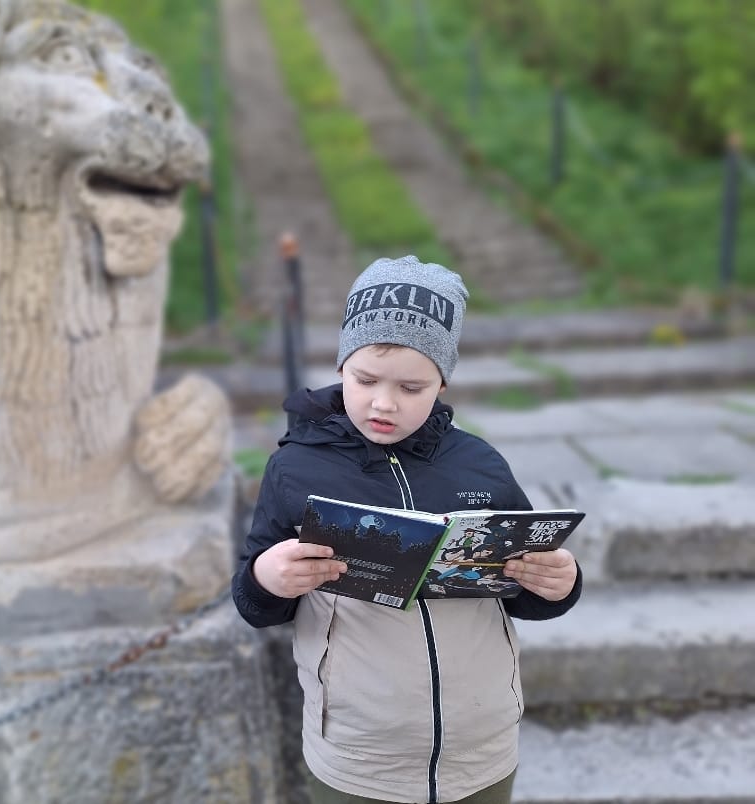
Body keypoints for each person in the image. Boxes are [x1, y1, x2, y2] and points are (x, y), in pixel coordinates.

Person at [231, 256, 580, 804]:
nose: (383, 403)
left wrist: (560, 582)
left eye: (412, 387)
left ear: (441, 382)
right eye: (365, 379)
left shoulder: (481, 465)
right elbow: (254, 605)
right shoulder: (297, 468)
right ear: (341, 365)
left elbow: (525, 594)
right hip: (356, 753)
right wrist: (267, 576)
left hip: (480, 748)